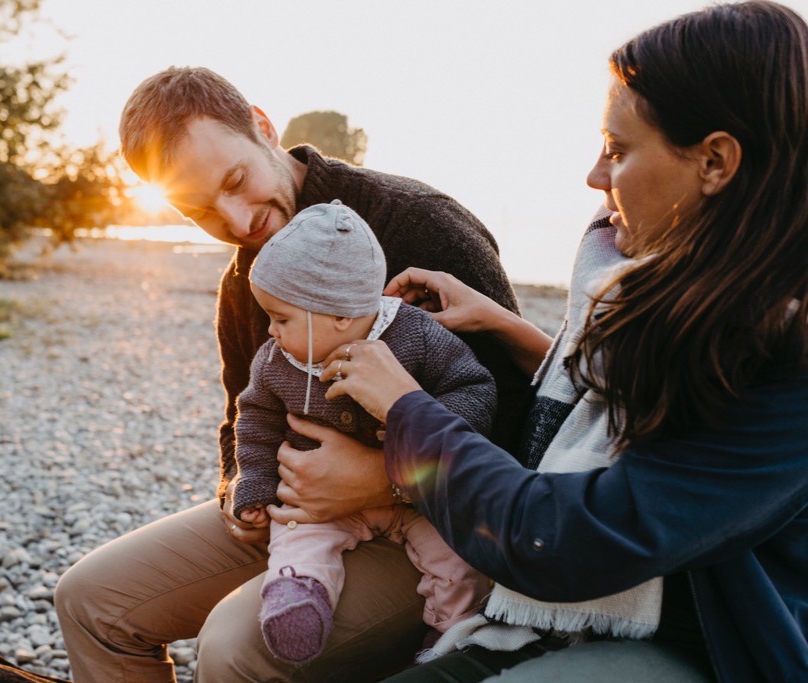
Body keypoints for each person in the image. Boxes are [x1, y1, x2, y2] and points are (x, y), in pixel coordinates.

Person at [313, 2, 808, 680]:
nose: (595, 177)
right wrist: (507, 327)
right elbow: (624, 403)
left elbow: (557, 539)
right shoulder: (674, 292)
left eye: (618, 150)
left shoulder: (786, 354)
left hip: (713, 643)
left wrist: (404, 409)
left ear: (716, 161)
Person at [56, 67, 529, 683]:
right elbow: (242, 413)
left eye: (236, 181)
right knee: (91, 600)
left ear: (262, 127)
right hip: (300, 516)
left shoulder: (419, 225)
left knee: (232, 646)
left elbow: (521, 424)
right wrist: (239, 491)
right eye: (200, 210)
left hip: (443, 527)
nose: (237, 220)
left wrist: (383, 480)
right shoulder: (242, 282)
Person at [231, 201, 496, 665]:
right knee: (296, 536)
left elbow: (473, 388)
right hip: (320, 503)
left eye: (282, 318)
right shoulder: (277, 362)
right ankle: (298, 599)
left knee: (459, 560)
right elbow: (254, 421)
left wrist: (426, 437)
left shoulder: (414, 336)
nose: (270, 331)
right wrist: (253, 484)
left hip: (421, 500)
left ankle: (451, 637)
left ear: (337, 314)